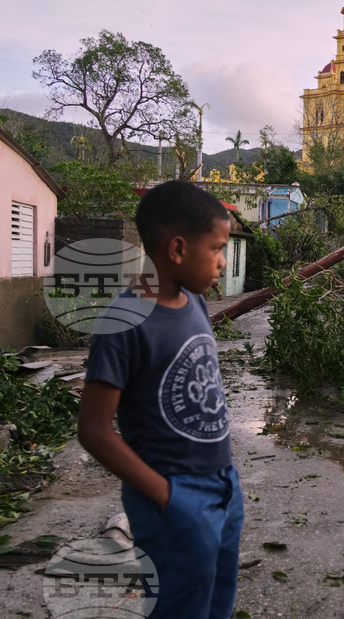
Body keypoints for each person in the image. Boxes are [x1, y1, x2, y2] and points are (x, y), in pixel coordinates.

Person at [78, 181, 243, 618]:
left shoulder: (194, 303)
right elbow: (94, 430)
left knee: (217, 591)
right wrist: (167, 497)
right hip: (172, 493)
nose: (223, 261)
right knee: (180, 601)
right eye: (217, 248)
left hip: (223, 482)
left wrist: (225, 479)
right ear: (177, 249)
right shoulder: (122, 324)